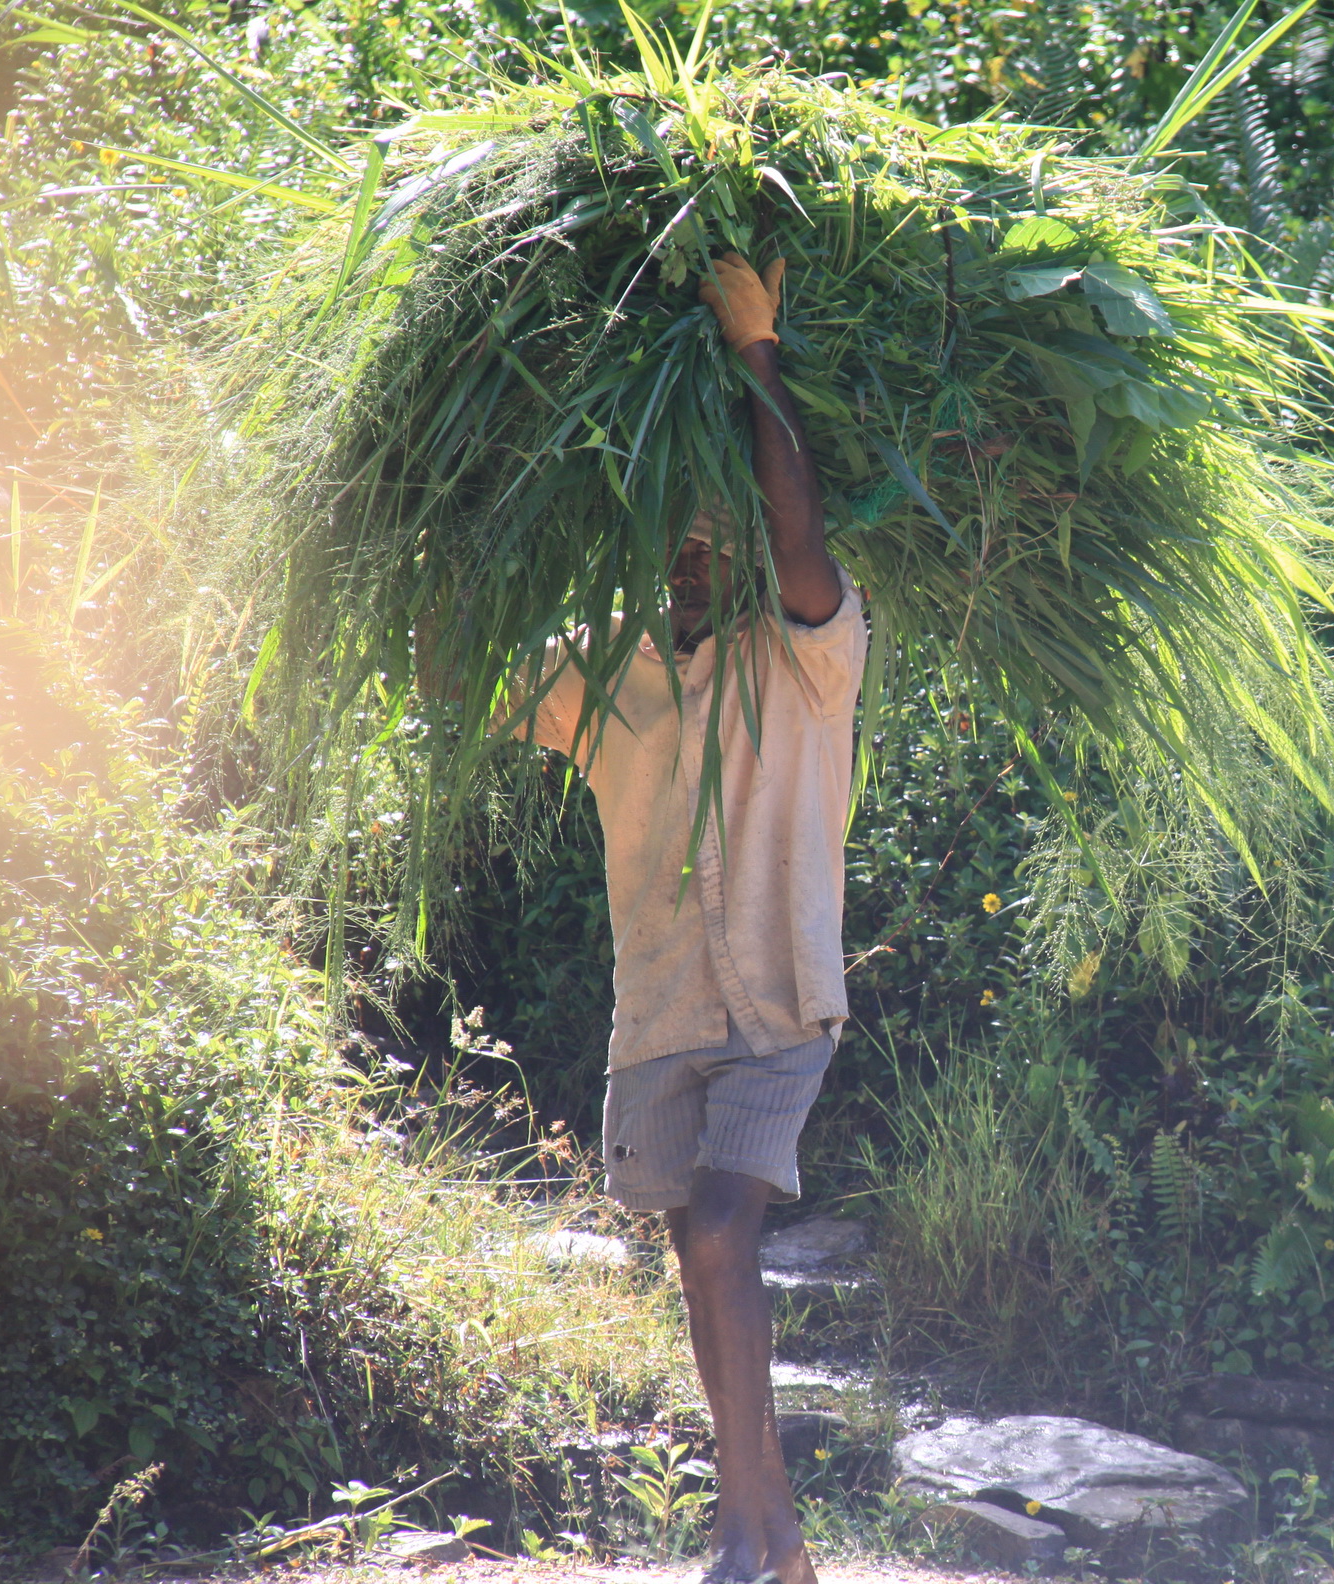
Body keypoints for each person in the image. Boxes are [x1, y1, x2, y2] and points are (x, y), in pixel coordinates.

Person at [520, 251, 863, 1584]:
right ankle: (774, 1536)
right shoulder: (605, 671)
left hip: (779, 1004)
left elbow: (801, 538)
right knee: (700, 1260)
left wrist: (755, 349)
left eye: (716, 537)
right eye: (675, 536)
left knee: (722, 1234)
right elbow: (459, 674)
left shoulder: (811, 654)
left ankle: (739, 1528)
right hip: (661, 1011)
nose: (693, 557)